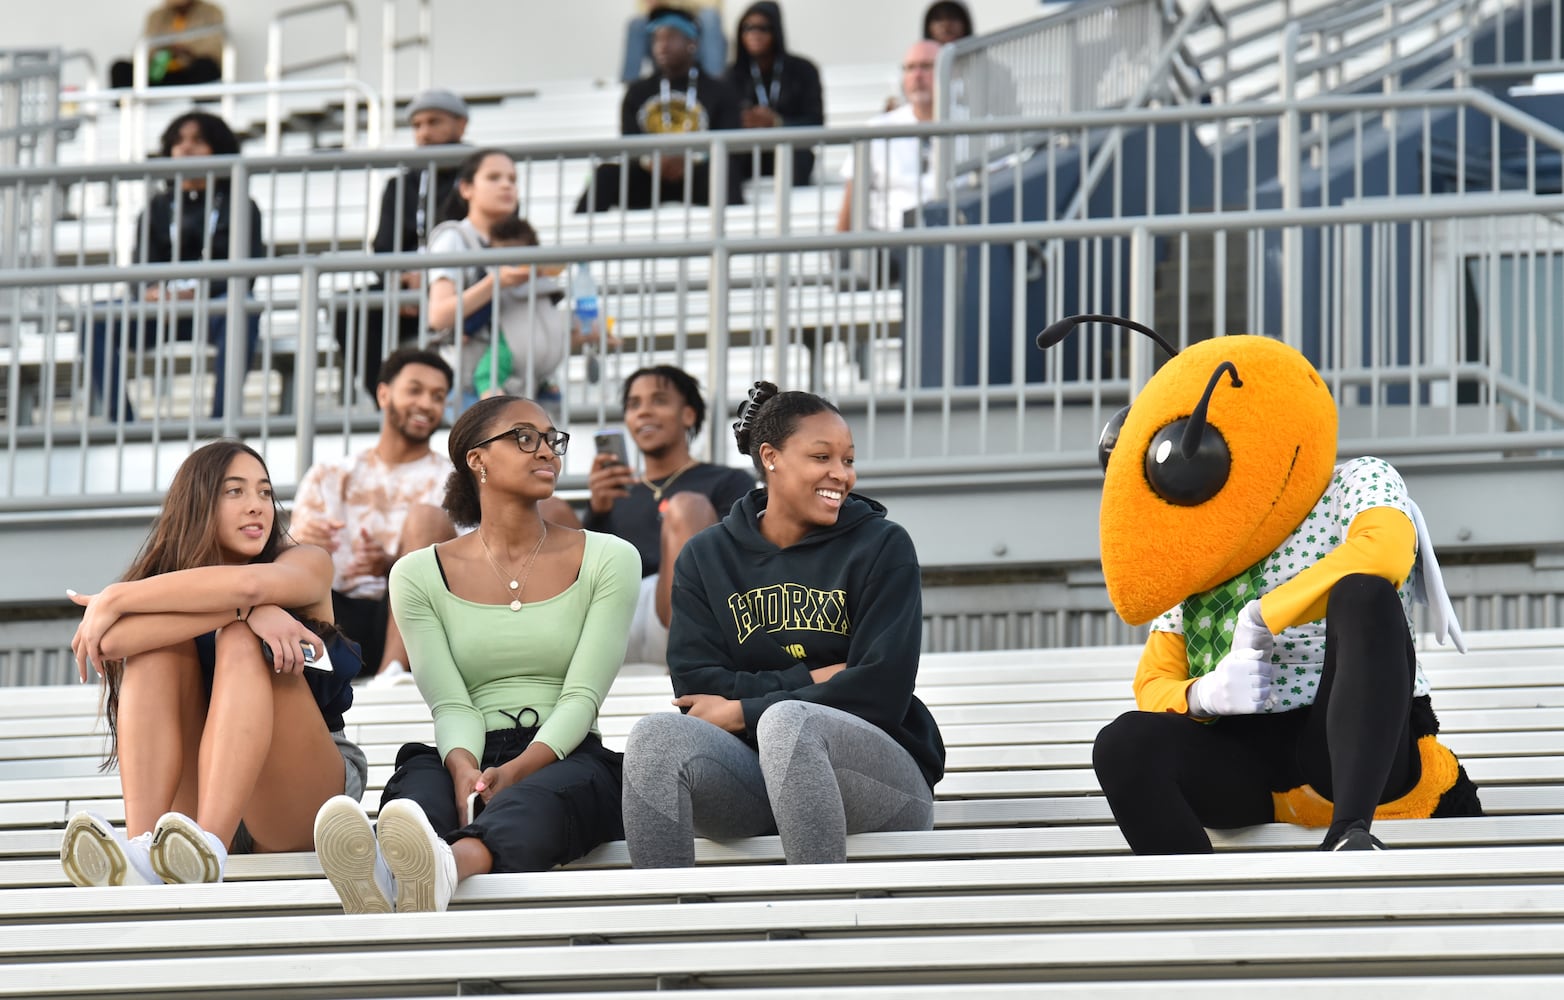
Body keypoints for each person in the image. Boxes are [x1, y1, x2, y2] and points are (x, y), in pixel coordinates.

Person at [1055, 323, 1484, 854]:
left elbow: (1385, 552)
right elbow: (1153, 683)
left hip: (1349, 751)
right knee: (1124, 743)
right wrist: (1203, 694)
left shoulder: (1355, 481)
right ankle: (1197, 909)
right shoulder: (1197, 552)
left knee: (1363, 595)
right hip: (1247, 762)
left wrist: (1265, 614)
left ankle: (1350, 835)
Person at [312, 395, 640, 913]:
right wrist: (465, 766)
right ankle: (388, 865)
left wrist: (519, 768)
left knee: (541, 797)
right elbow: (452, 704)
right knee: (420, 787)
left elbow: (581, 696)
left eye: (552, 440)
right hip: (466, 747)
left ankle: (441, 867)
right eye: (525, 438)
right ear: (477, 459)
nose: (547, 453)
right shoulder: (416, 573)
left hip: (565, 752)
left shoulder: (610, 558)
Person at [620, 381, 946, 867]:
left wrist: (743, 710)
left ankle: (814, 927)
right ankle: (668, 930)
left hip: (878, 781)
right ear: (770, 457)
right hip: (751, 779)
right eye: (822, 458)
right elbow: (696, 690)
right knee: (654, 737)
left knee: (788, 723)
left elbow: (880, 688)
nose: (842, 475)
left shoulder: (881, 546)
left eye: (848, 460)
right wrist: (818, 678)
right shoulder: (707, 557)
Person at [59, 440, 365, 887]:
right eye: (235, 492)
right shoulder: (167, 587)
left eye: (264, 493)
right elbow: (113, 641)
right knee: (160, 649)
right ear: (199, 502)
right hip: (192, 804)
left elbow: (247, 585)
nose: (257, 507)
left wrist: (115, 596)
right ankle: (145, 848)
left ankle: (211, 851)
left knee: (241, 641)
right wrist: (243, 612)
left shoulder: (304, 562)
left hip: (298, 796)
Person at [290, 349, 457, 685]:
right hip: (333, 616)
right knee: (293, 552)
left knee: (426, 519)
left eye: (437, 396)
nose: (426, 403)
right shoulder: (329, 474)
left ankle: (392, 671)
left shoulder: (454, 480)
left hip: (411, 620)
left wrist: (392, 564)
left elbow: (462, 569)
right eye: (415, 390)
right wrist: (301, 544)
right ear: (383, 394)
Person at [85, 110, 264, 421]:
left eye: (198, 140)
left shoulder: (241, 206)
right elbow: (140, 273)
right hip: (160, 312)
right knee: (96, 318)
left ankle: (222, 425)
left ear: (218, 148)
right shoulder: (156, 207)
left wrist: (194, 292)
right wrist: (153, 293)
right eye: (179, 141)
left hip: (213, 308)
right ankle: (120, 421)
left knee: (242, 308)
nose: (186, 148)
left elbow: (245, 276)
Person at [570, 366, 754, 666]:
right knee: (549, 510)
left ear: (688, 415)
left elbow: (733, 560)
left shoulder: (728, 481)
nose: (644, 412)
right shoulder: (614, 491)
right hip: (613, 619)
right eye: (634, 404)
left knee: (686, 507)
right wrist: (596, 511)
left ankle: (698, 665)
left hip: (683, 618)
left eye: (659, 400)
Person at [336, 88, 470, 401]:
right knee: (349, 308)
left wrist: (434, 278)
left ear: (461, 125)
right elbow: (383, 247)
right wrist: (397, 281)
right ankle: (386, 402)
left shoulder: (478, 178)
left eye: (434, 122)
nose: (424, 133)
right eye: (417, 125)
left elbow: (486, 241)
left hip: (462, 288)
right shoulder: (401, 185)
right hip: (405, 292)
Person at [427, 150, 580, 412]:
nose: (506, 185)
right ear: (466, 189)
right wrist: (495, 283)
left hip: (531, 382)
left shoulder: (523, 240)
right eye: (494, 177)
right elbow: (439, 315)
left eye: (512, 179)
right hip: (476, 386)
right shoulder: (454, 239)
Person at [577, 6, 744, 213]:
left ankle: (733, 237)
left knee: (726, 171)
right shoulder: (637, 92)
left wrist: (686, 160)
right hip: (650, 176)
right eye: (657, 39)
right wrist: (653, 162)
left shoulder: (719, 91)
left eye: (671, 38)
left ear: (692, 43)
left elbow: (730, 141)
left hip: (697, 173)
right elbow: (630, 143)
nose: (662, 46)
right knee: (606, 175)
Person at [835, 40, 940, 284]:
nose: (917, 75)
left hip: (956, 243)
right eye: (910, 68)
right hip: (890, 248)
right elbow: (848, 208)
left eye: (927, 66)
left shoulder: (972, 125)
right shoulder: (878, 129)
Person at [724, 2, 825, 186]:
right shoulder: (731, 75)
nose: (755, 34)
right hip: (748, 152)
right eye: (747, 28)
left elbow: (815, 121)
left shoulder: (803, 70)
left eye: (763, 28)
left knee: (797, 156)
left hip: (789, 150)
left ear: (776, 31)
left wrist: (776, 123)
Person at [110, 1, 227, 89]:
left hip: (190, 72)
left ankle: (202, 108)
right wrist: (166, 48)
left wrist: (186, 50)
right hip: (160, 71)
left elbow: (214, 48)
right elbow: (145, 48)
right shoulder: (157, 15)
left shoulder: (212, 12)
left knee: (205, 66)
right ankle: (125, 107)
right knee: (120, 68)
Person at [622, 0, 726, 83]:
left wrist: (669, 3)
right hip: (664, 25)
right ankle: (628, 82)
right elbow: (645, 8)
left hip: (695, 32)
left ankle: (714, 82)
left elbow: (711, 4)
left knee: (710, 16)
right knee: (636, 24)